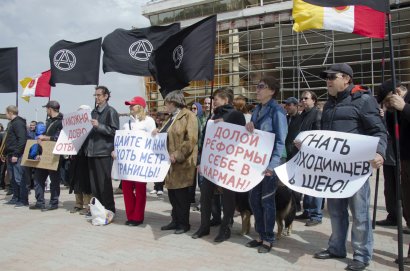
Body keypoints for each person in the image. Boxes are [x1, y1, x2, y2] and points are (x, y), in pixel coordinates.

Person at [313, 63, 386, 271]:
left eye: (331, 76)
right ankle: (336, 247)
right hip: (333, 170)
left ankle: (362, 255)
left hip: (356, 171)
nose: (327, 80)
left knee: (360, 214)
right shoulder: (328, 105)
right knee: (336, 212)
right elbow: (324, 136)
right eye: (325, 77)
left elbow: (379, 131)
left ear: (346, 78)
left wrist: (380, 152)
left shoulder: (364, 101)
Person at [192, 87, 246, 242]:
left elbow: (242, 137)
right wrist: (201, 162)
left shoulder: (236, 114)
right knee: (205, 195)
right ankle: (204, 226)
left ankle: (225, 228)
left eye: (216, 99)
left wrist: (225, 125)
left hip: (228, 164)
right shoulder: (213, 114)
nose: (214, 102)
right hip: (212, 163)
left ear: (226, 100)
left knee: (228, 198)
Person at [245, 76, 288, 253]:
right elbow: (253, 133)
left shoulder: (277, 111)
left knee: (267, 201)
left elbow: (280, 141)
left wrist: (272, 165)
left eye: (261, 87)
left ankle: (268, 238)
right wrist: (249, 126)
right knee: (254, 200)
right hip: (256, 164)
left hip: (269, 165)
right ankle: (260, 234)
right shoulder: (257, 110)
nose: (257, 89)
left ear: (271, 90)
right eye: (257, 86)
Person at [155, 90, 198, 234]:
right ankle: (175, 220)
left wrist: (178, 155)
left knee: (181, 197)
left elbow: (191, 139)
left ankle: (183, 223)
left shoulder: (189, 116)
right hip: (170, 164)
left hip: (182, 164)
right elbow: (166, 135)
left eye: (166, 103)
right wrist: (157, 132)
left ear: (173, 103)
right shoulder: (171, 118)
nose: (165, 106)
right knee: (173, 195)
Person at [376, 80, 410, 231]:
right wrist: (387, 115)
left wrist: (404, 108)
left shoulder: (405, 103)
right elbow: (389, 130)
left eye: (387, 100)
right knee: (404, 197)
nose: (386, 104)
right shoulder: (392, 110)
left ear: (396, 92)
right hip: (402, 157)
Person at [119, 96, 156, 226]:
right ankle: (130, 215)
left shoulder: (149, 121)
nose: (130, 107)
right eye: (130, 105)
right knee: (127, 190)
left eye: (132, 105)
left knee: (140, 191)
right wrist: (115, 151)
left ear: (140, 106)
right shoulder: (126, 124)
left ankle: (138, 217)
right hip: (127, 163)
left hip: (141, 162)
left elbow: (153, 140)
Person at [86, 86, 119, 215]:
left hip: (104, 152)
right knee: (94, 185)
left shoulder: (111, 111)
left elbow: (114, 131)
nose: (97, 97)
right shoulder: (93, 112)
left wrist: (99, 126)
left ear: (106, 96)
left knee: (104, 183)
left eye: (99, 95)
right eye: (95, 95)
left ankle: (109, 209)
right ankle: (97, 209)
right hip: (92, 152)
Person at [294, 90, 323, 226]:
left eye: (306, 98)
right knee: (305, 183)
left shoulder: (317, 114)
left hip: (314, 155)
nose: (303, 100)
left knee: (315, 184)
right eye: (302, 99)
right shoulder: (302, 115)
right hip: (303, 154)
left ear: (314, 100)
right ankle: (307, 211)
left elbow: (319, 136)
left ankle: (316, 215)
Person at [30, 101, 63, 211]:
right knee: (38, 178)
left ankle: (54, 202)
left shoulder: (62, 122)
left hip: (54, 155)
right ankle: (40, 202)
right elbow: (45, 135)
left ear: (50, 109)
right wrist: (41, 140)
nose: (46, 110)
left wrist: (46, 138)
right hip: (44, 154)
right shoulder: (48, 121)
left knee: (54, 180)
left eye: (47, 108)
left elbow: (60, 138)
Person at [2, 105, 29, 207]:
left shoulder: (18, 123)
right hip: (10, 154)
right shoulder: (11, 123)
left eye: (6, 113)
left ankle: (23, 200)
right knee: (13, 178)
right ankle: (16, 197)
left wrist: (16, 154)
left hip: (16, 154)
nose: (6, 115)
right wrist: (4, 153)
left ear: (10, 112)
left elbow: (22, 140)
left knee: (19, 178)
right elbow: (9, 140)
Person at [68, 105, 93, 215]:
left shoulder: (91, 125)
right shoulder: (75, 127)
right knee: (76, 180)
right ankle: (78, 203)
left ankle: (87, 205)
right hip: (76, 156)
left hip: (86, 156)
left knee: (86, 181)